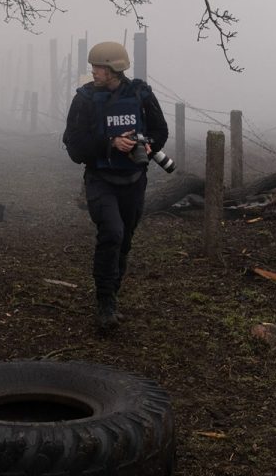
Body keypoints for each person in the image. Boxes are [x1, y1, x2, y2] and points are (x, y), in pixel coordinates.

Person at [62, 40, 169, 332]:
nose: (94, 71)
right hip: (100, 180)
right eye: (93, 66)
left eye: (99, 67)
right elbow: (74, 146)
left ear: (114, 69)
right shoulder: (84, 100)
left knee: (125, 241)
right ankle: (104, 303)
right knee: (112, 233)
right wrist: (109, 143)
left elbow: (160, 131)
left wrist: (147, 147)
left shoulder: (140, 94)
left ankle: (113, 294)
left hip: (134, 181)